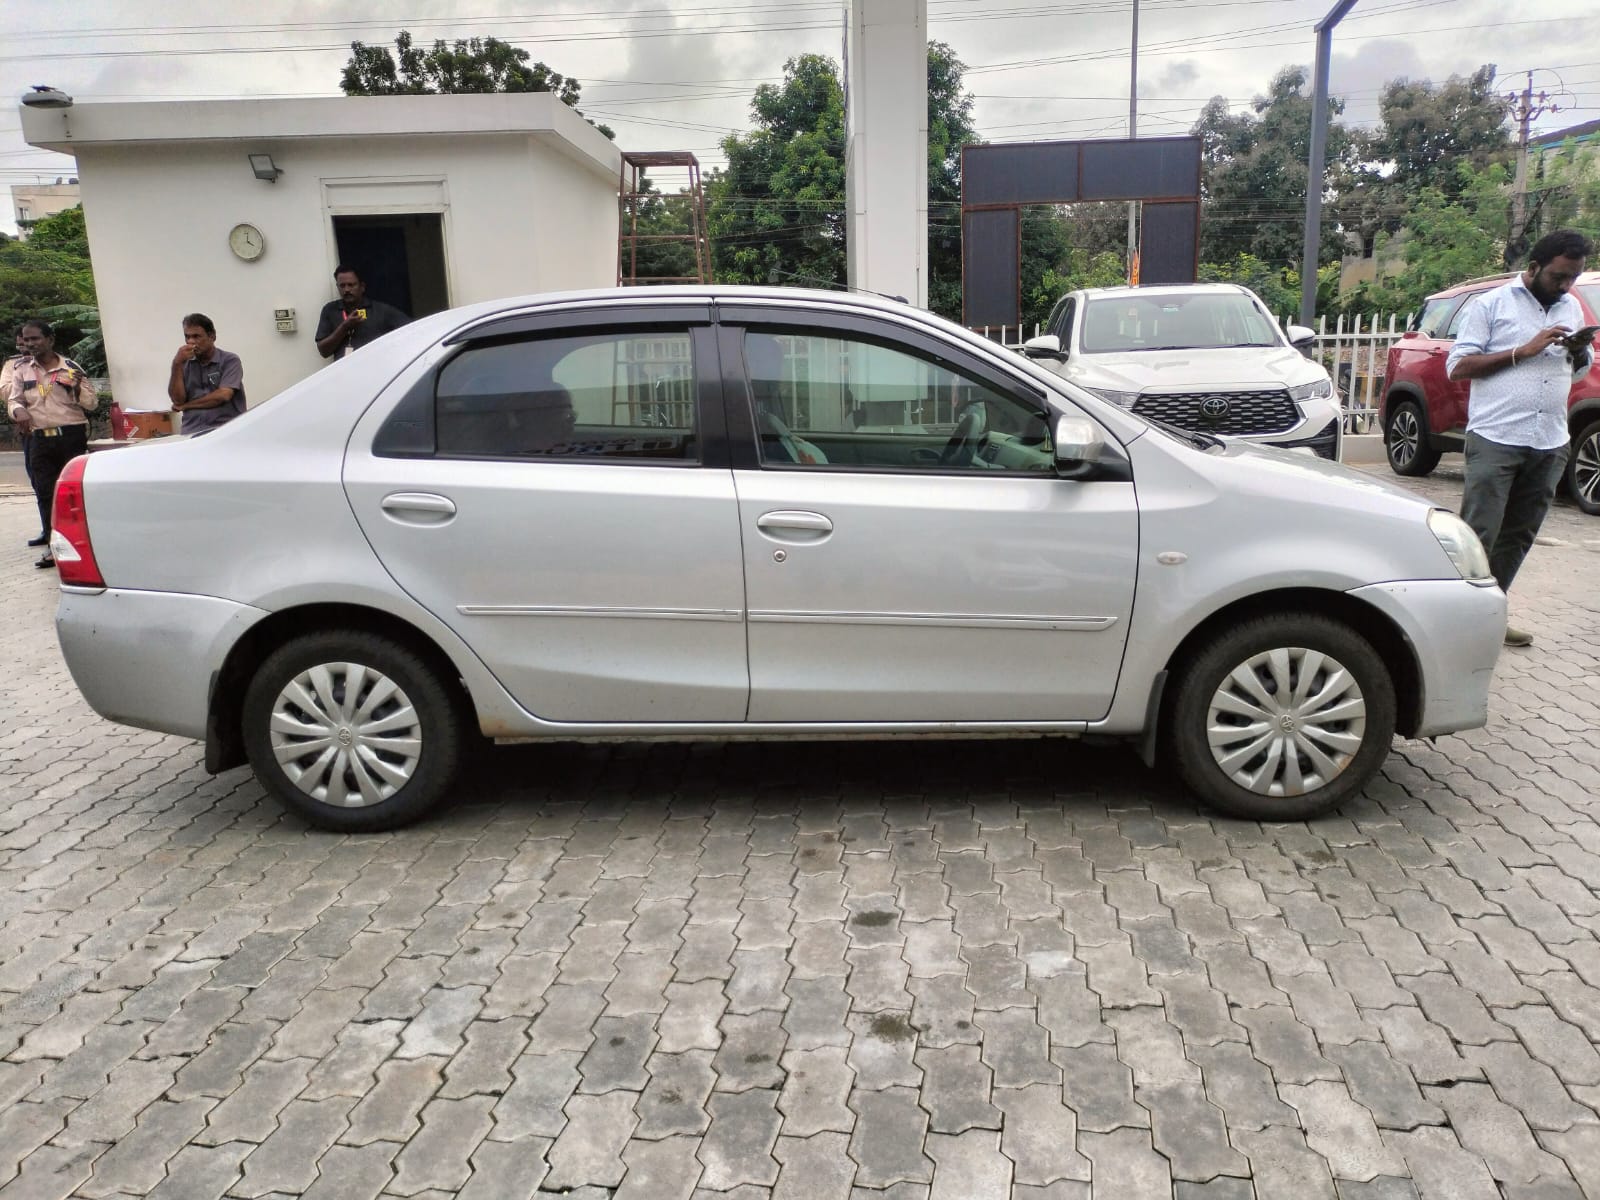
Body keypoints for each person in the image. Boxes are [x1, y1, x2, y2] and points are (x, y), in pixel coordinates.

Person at [1447, 228, 1596, 647]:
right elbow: (1457, 367)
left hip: (1550, 441)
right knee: (1478, 534)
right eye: (1559, 277)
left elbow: (1578, 373)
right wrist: (1522, 351)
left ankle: (1490, 615)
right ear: (1533, 268)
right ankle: (1455, 623)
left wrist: (1580, 350)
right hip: (1496, 436)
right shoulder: (1491, 304)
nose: (1566, 286)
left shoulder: (1571, 308)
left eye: (1573, 278)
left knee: (1519, 536)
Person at [3, 319, 97, 569]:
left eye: (36, 338)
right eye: (27, 339)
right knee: (46, 495)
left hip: (71, 437)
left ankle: (84, 547)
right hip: (39, 440)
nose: (31, 344)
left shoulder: (71, 368)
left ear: (50, 340)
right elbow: (14, 400)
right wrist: (18, 411)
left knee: (75, 495)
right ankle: (55, 548)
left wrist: (76, 388)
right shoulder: (21, 370)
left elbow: (92, 404)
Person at [167, 313, 245, 437]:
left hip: (225, 429)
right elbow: (177, 400)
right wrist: (176, 364)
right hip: (191, 431)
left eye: (196, 336)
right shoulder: (183, 362)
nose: (191, 342)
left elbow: (223, 395)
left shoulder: (230, 360)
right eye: (187, 337)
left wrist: (186, 406)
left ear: (212, 336)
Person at [313, 265, 411, 361]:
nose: (346, 290)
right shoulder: (330, 310)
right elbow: (323, 351)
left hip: (376, 370)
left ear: (362, 287)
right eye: (342, 286)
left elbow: (411, 330)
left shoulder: (381, 310)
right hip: (344, 374)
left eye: (351, 285)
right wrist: (344, 327)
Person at [1, 331, 38, 544]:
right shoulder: (12, 366)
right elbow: (6, 393)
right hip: (29, 430)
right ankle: (46, 529)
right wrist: (24, 375)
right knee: (38, 482)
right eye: (20, 344)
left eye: (30, 341)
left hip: (58, 430)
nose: (25, 347)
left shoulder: (57, 363)